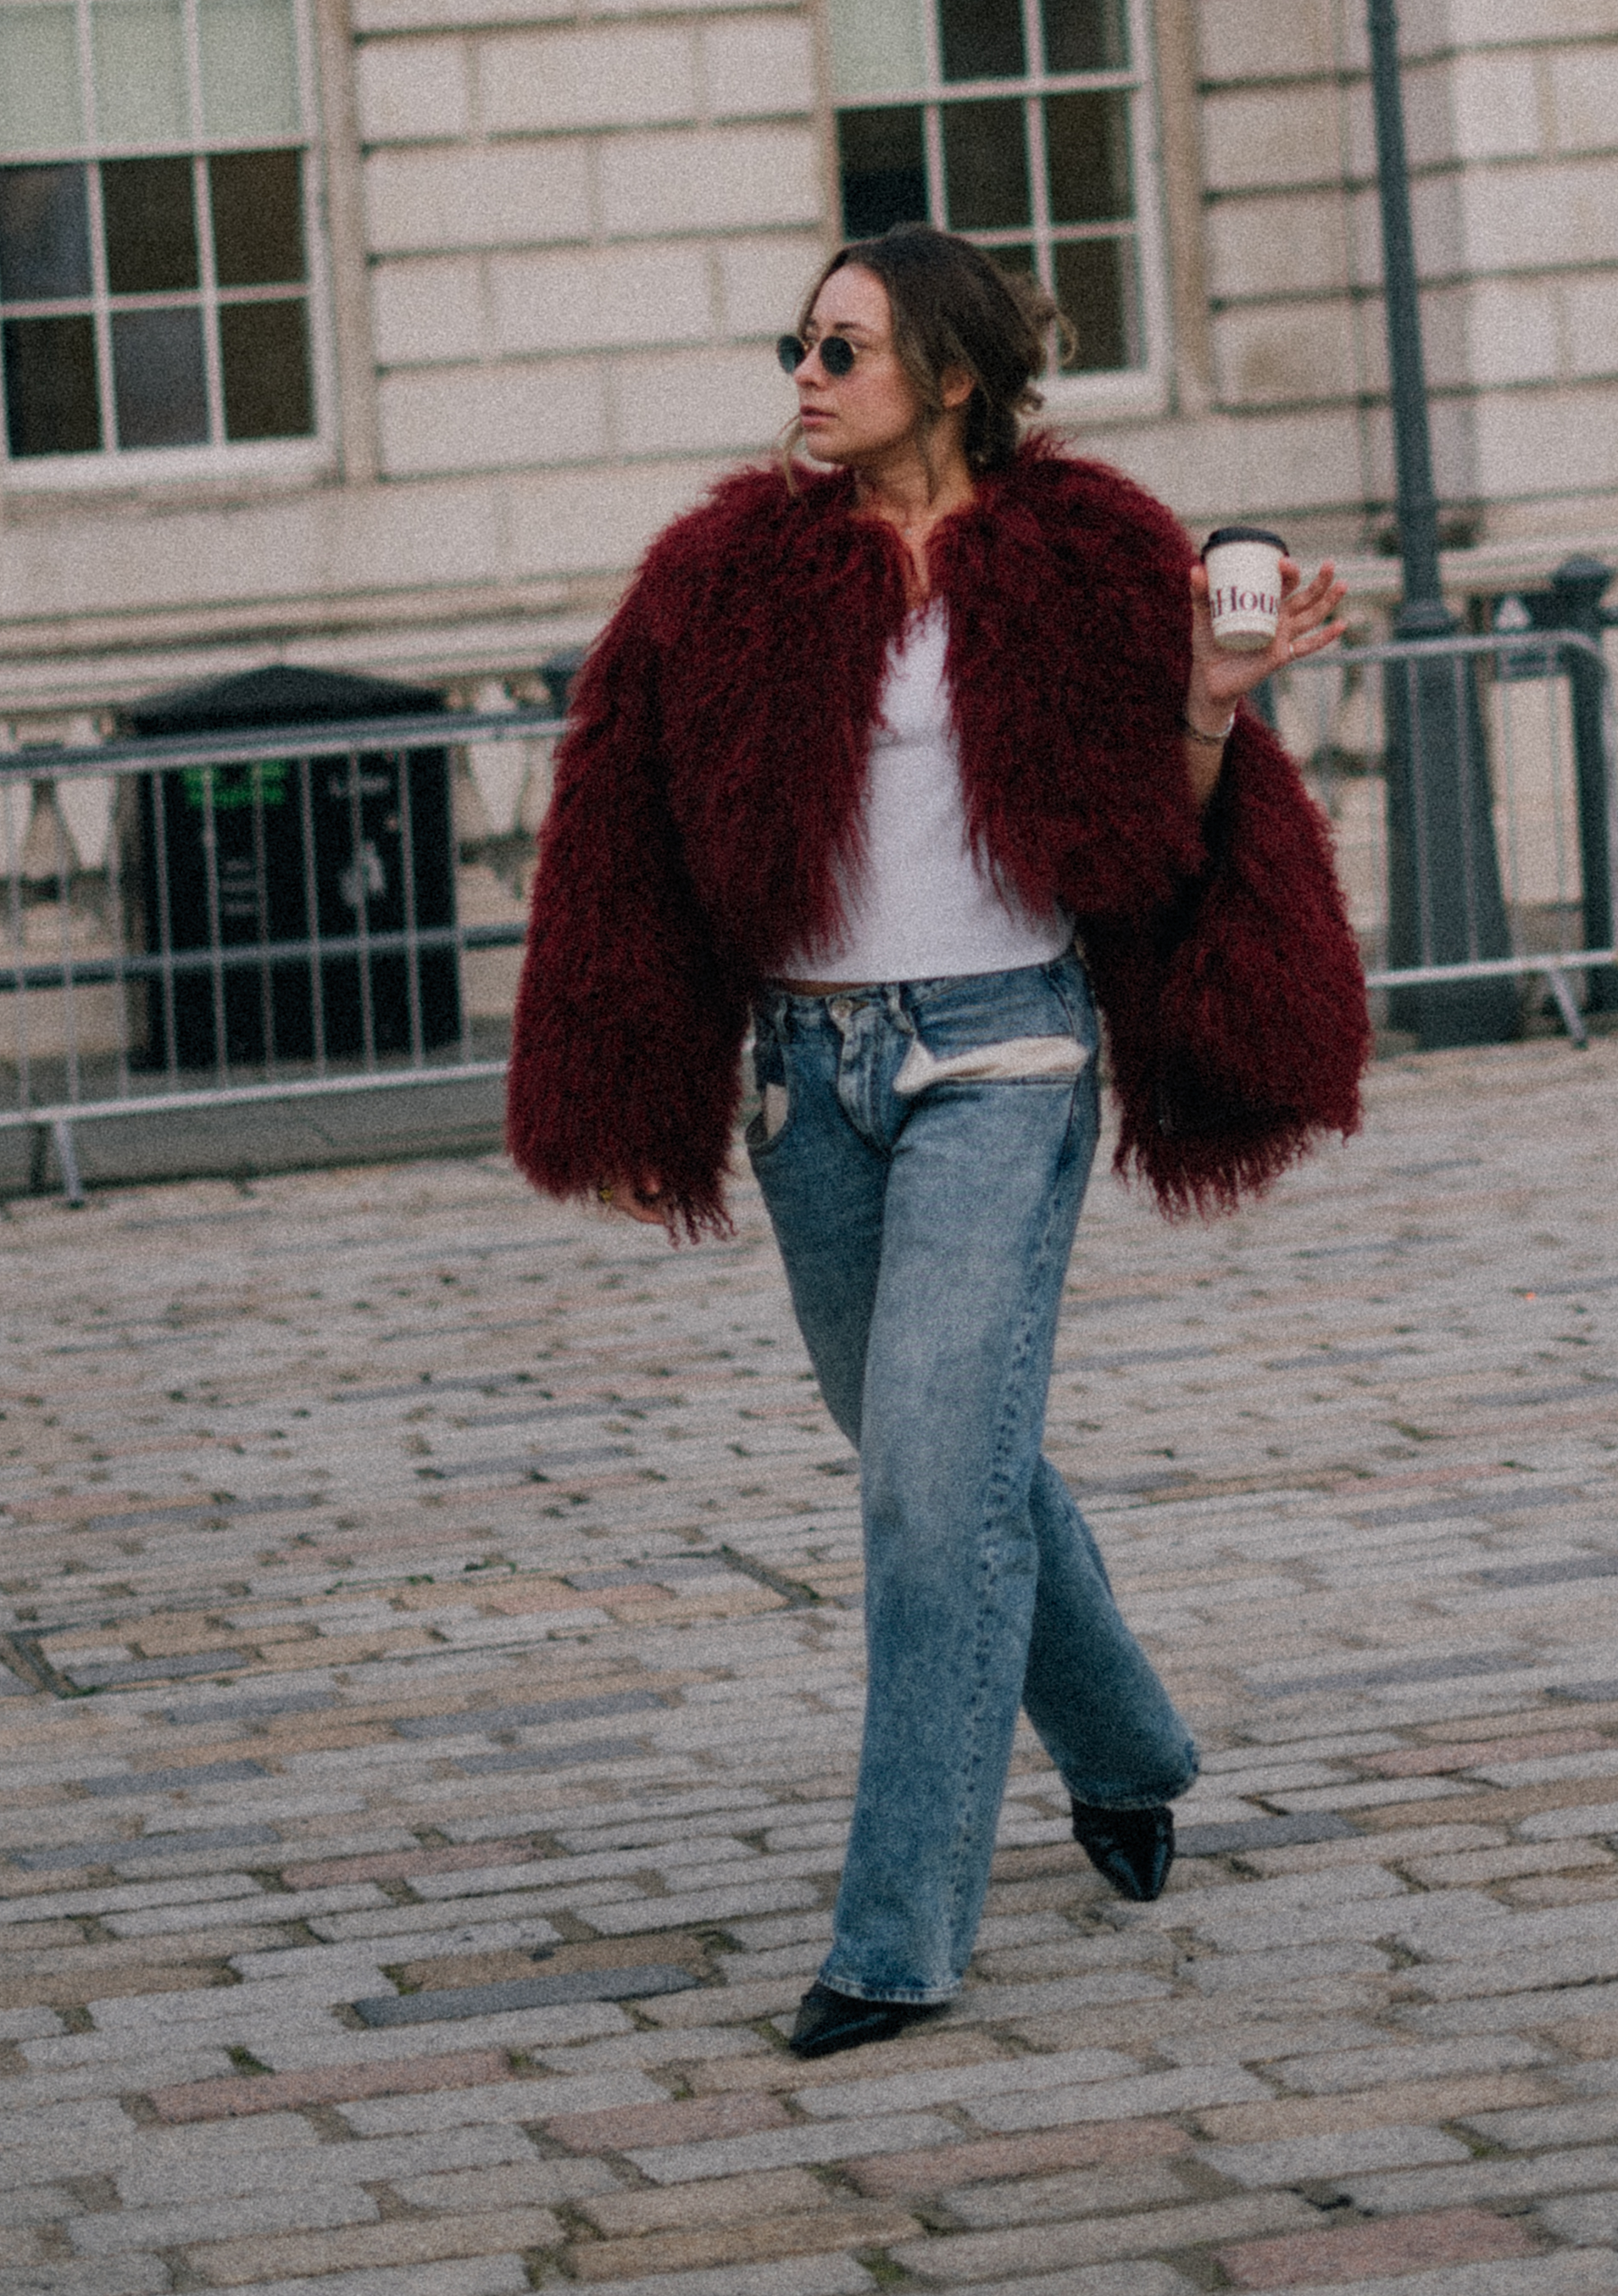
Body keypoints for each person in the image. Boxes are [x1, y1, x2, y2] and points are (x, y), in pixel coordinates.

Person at [505, 225, 1368, 2059]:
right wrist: (624, 1077)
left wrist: (1209, 709)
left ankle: (895, 1938)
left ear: (954, 376)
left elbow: (1145, 844)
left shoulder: (1089, 550)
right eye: (798, 348)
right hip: (804, 1076)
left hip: (1001, 1054)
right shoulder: (725, 569)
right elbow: (623, 823)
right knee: (946, 1460)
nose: (805, 380)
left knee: (921, 1491)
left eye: (845, 350)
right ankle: (1125, 1743)